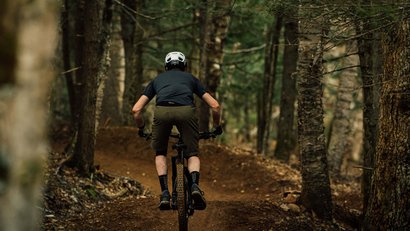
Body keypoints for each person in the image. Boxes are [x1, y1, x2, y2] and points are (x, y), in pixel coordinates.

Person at [132, 51, 222, 210]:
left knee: (160, 153)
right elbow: (215, 106)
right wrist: (216, 127)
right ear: (184, 65)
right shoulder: (191, 79)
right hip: (186, 112)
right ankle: (194, 186)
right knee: (192, 154)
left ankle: (165, 193)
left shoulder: (157, 80)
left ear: (166, 66)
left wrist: (141, 128)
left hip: (162, 112)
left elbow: (136, 110)